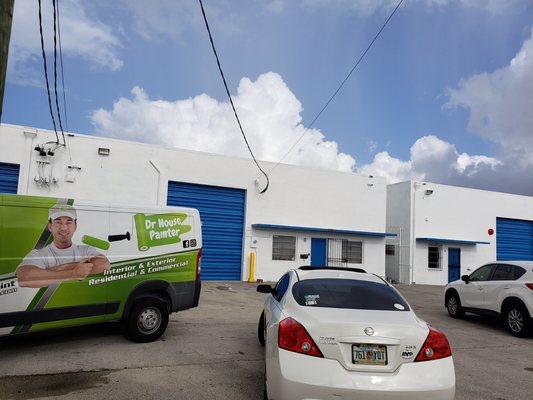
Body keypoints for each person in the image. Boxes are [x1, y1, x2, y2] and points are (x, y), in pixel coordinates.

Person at [16, 204, 110, 288]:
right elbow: (24, 277)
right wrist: (73, 273)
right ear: (50, 226)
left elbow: (104, 264)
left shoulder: (86, 249)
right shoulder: (38, 254)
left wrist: (49, 271)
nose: (64, 228)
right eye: (58, 222)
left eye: (68, 222)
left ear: (75, 226)